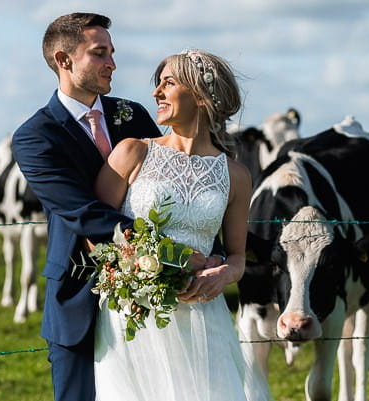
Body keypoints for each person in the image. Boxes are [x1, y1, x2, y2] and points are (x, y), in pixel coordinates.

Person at [11, 13, 223, 401]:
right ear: (64, 60)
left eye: (112, 52)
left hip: (152, 302)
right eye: (100, 53)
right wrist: (176, 256)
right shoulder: (35, 137)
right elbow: (86, 215)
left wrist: (212, 254)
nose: (112, 63)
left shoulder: (134, 115)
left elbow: (176, 189)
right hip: (79, 301)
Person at [92, 50, 272, 400]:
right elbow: (94, 234)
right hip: (135, 318)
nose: (157, 93)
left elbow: (236, 256)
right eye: (157, 84)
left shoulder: (235, 175)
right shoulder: (132, 152)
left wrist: (223, 275)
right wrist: (151, 268)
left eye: (168, 83)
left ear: (202, 95)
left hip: (203, 319)